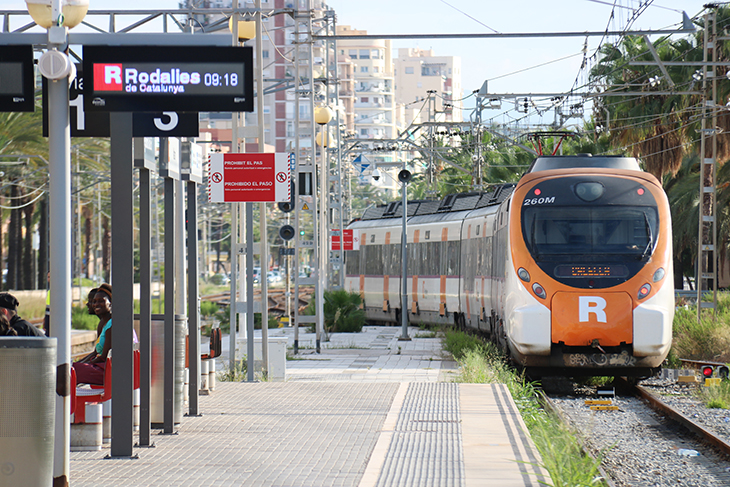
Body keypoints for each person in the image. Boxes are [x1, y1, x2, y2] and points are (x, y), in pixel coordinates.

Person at [74, 284, 113, 385]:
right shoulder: (103, 324)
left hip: (110, 372)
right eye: (94, 301)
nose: (95, 304)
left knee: (68, 373)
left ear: (111, 303)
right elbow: (96, 353)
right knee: (71, 369)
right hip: (104, 368)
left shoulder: (112, 325)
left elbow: (103, 357)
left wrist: (83, 365)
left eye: (101, 301)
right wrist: (78, 364)